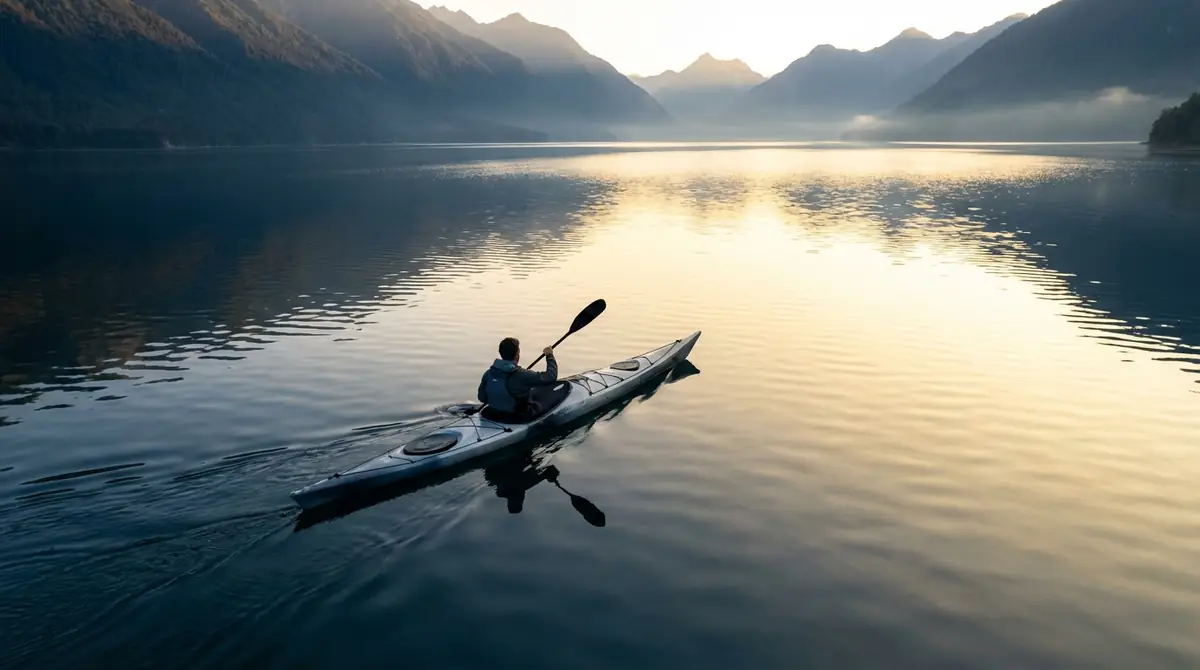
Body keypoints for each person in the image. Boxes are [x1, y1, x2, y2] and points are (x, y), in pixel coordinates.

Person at [477, 337, 560, 422]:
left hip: (492, 415)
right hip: (515, 419)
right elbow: (551, 377)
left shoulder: (488, 374)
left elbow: (481, 398)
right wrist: (549, 355)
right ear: (517, 354)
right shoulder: (523, 375)